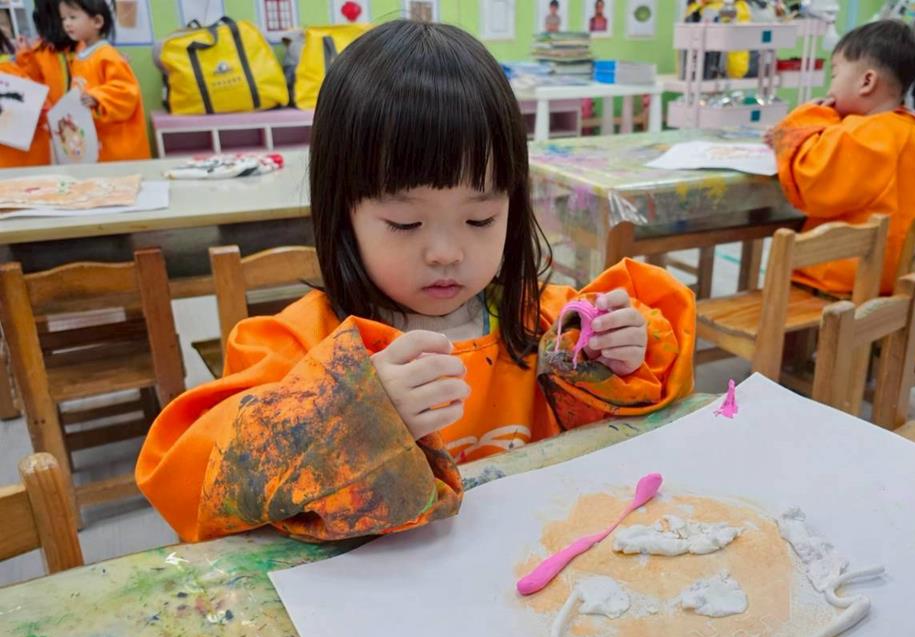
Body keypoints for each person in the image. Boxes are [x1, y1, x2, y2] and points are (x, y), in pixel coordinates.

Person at [136, 21, 696, 544]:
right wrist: (347, 413)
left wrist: (616, 358)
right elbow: (188, 480)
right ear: (343, 214)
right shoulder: (299, 345)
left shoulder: (545, 322)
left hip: (526, 566)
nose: (447, 253)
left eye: (481, 219)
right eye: (405, 223)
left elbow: (619, 435)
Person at [767, 19, 915, 295]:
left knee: (777, 266)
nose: (830, 89)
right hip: (905, 277)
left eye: (835, 75)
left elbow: (813, 181)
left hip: (851, 276)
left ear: (867, 81)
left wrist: (803, 122)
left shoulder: (864, 133)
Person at [58, 0, 150, 161]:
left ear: (97, 21)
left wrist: (97, 97)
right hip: (97, 138)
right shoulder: (79, 57)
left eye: (72, 17)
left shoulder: (107, 55)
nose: (67, 23)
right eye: (63, 18)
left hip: (118, 142)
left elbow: (126, 91)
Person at [0, 0, 75, 168]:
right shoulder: (34, 53)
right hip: (44, 143)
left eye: (72, 17)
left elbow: (37, 101)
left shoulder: (79, 51)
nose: (69, 23)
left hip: (63, 134)